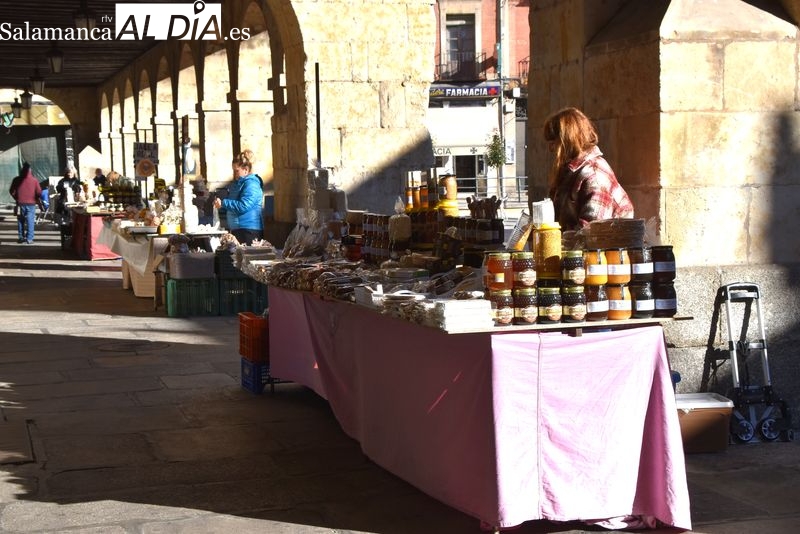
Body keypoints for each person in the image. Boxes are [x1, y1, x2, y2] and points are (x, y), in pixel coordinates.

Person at [542, 107, 634, 231]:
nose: (551, 149)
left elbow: (590, 232)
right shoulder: (570, 171)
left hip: (602, 248)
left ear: (568, 140)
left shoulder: (594, 173)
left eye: (554, 141)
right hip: (574, 247)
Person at [213, 149, 264, 245]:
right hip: (239, 229)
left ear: (246, 170)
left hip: (249, 230)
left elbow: (244, 205)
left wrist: (224, 203)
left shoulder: (251, 184)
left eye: (237, 171)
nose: (234, 174)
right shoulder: (238, 184)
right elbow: (233, 204)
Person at [8, 162, 42, 244]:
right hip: (31, 204)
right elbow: (39, 192)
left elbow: (11, 191)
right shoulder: (35, 180)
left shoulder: (16, 179)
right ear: (30, 171)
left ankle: (21, 237)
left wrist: (16, 198)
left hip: (20, 204)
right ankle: (29, 238)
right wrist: (35, 199)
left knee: (20, 220)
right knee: (30, 220)